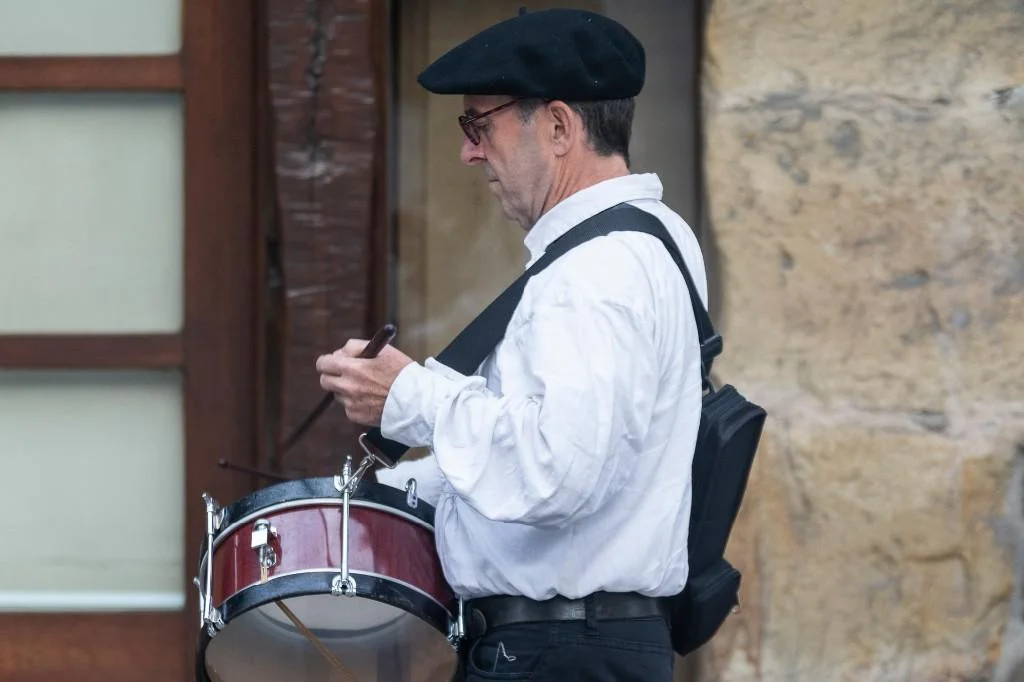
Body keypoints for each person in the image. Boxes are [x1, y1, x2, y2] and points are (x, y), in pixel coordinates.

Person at [316, 7, 708, 681]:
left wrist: (411, 397)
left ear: (557, 127)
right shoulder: (644, 243)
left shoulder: (596, 272)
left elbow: (556, 471)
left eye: (479, 124)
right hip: (575, 645)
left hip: (558, 652)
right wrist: (383, 495)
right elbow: (560, 450)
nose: (468, 152)